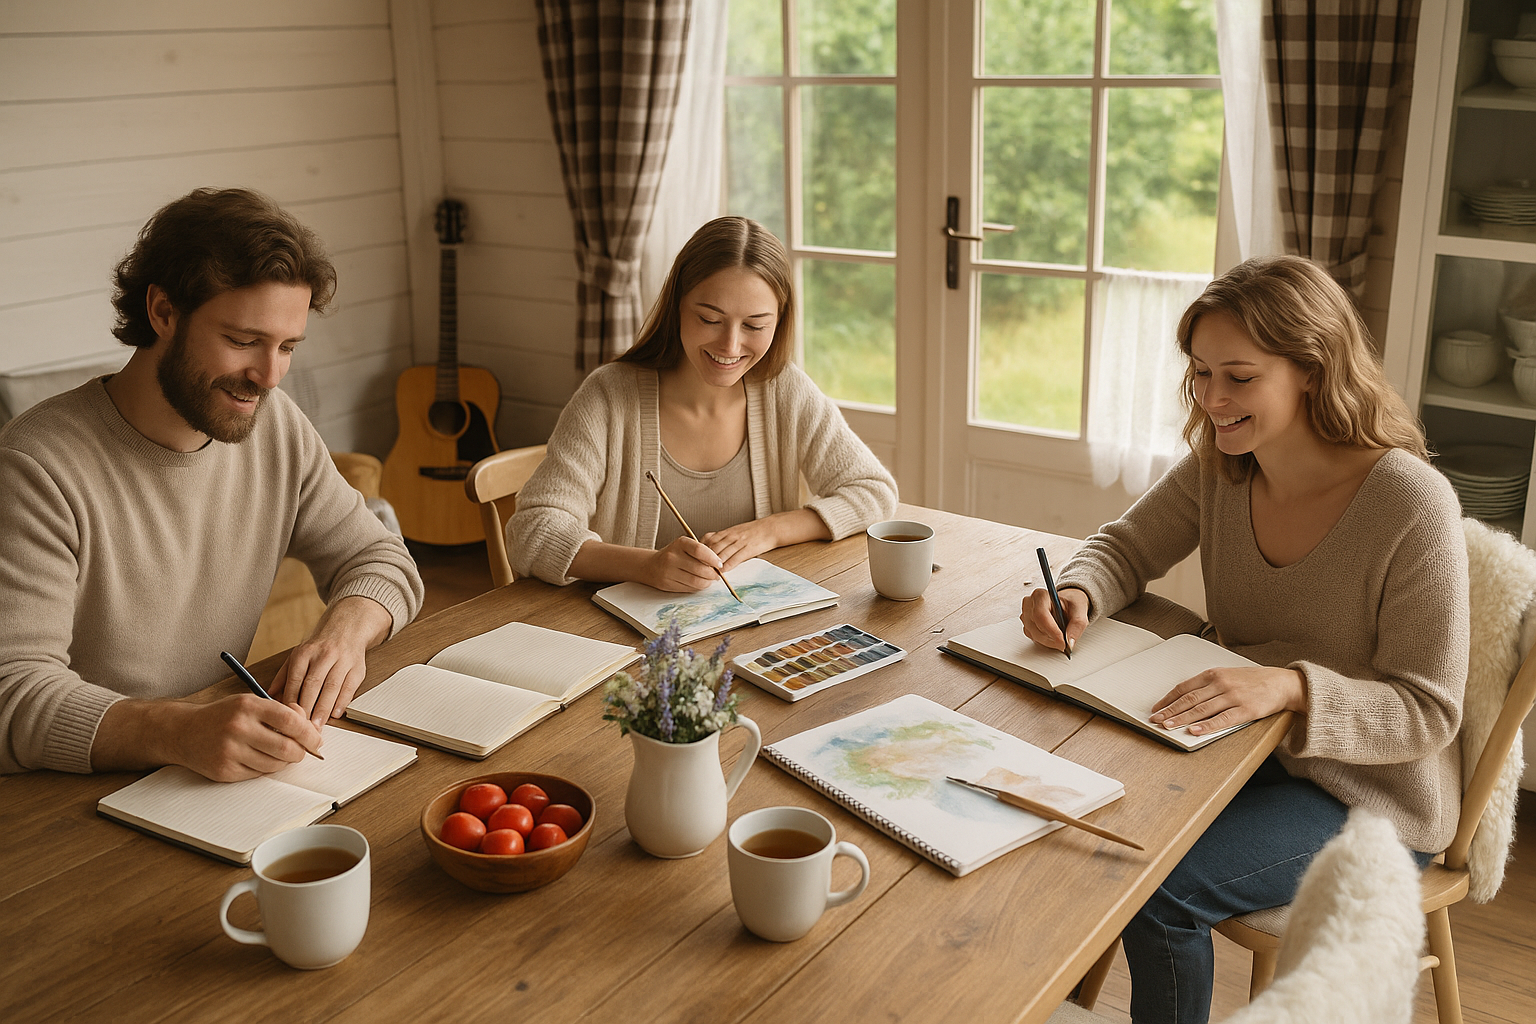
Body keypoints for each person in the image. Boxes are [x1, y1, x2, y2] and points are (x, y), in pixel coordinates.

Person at [1019, 255, 1466, 1024]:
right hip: (1245, 743)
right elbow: (1125, 547)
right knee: (1077, 813)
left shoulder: (1408, 502)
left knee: (1157, 889)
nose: (1213, 400)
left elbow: (1428, 712)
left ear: (1313, 372)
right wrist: (1078, 590)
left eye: (1239, 377)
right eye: (1199, 374)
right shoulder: (1223, 466)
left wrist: (1292, 686)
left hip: (1367, 793)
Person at [0, 188, 424, 781]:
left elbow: (379, 555)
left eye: (287, 348)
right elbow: (13, 695)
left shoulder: (273, 426)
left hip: (208, 782)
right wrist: (177, 729)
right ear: (163, 312)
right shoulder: (37, 466)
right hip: (70, 800)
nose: (268, 377)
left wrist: (342, 636)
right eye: (244, 341)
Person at [509, 216, 897, 588]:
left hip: (750, 628)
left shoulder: (784, 389)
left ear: (778, 323)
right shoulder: (609, 397)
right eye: (710, 319)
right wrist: (647, 566)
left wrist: (769, 531)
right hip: (623, 639)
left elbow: (874, 492)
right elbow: (532, 531)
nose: (729, 346)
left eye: (754, 326)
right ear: (677, 303)